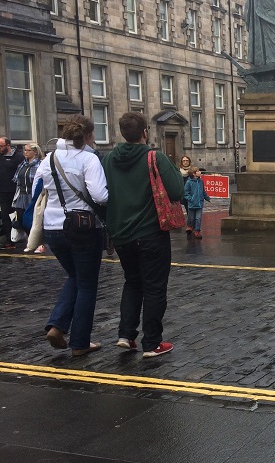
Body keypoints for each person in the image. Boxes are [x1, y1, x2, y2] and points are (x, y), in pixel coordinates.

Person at [102, 112, 183, 357]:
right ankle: (152, 343)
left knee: (132, 282)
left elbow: (99, 193)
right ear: (145, 132)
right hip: (151, 233)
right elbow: (177, 190)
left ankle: (126, 335)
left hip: (122, 235)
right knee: (155, 287)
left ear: (122, 133)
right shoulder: (154, 157)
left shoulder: (108, 159)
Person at [33, 115, 108, 356]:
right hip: (83, 226)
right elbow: (100, 196)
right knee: (86, 284)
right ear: (88, 135)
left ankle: (57, 325)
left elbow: (39, 187)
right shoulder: (89, 158)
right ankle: (80, 342)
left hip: (53, 227)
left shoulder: (49, 158)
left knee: (75, 277)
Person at [11, 143, 43, 244]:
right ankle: (29, 238)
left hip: (33, 195)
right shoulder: (22, 164)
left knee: (33, 220)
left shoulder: (40, 164)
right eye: (25, 150)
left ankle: (36, 241)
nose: (25, 152)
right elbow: (17, 180)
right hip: (21, 195)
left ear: (35, 152)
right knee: (20, 219)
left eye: (28, 150)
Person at [0, 136, 24, 248]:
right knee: (5, 215)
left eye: (1, 146)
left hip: (15, 191)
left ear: (8, 145)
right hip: (3, 191)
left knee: (17, 215)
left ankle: (21, 237)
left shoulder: (18, 157)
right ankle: (9, 240)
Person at [184, 166, 211, 239]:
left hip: (199, 203)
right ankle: (189, 226)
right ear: (193, 173)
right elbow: (186, 193)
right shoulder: (189, 182)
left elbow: (203, 191)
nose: (200, 172)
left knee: (198, 218)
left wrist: (208, 198)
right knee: (191, 218)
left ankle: (197, 231)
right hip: (192, 204)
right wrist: (191, 199)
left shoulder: (201, 181)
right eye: (198, 171)